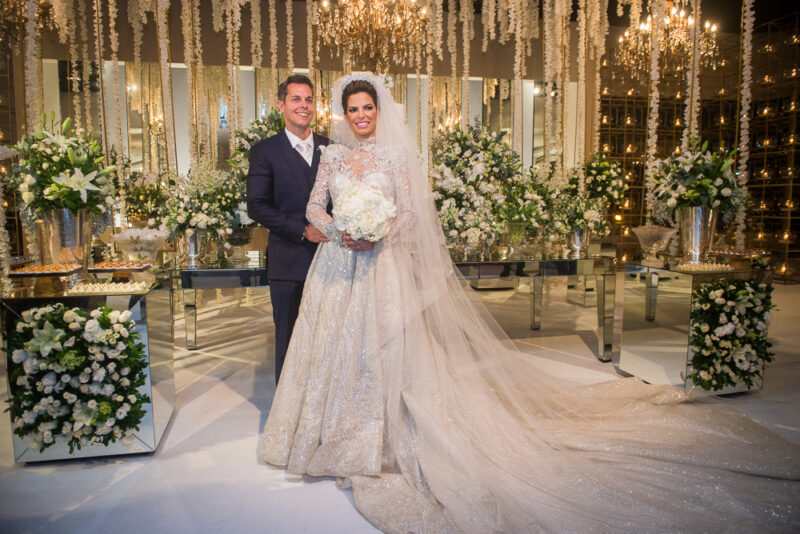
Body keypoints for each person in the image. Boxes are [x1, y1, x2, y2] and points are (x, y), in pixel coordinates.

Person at [260, 73, 800, 532]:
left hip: (383, 264)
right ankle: (339, 430)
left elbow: (410, 213)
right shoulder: (332, 156)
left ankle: (387, 432)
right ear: (344, 114)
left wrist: (377, 231)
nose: (360, 116)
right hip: (339, 264)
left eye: (368, 108)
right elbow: (313, 207)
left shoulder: (397, 156)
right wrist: (341, 230)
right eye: (353, 109)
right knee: (338, 349)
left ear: (379, 112)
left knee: (387, 346)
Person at [246, 74, 331, 384]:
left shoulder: (331, 148)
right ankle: (287, 403)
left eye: (308, 99)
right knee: (289, 339)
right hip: (287, 262)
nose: (303, 105)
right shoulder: (265, 151)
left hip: (330, 261)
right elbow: (256, 205)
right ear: (281, 105)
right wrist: (301, 230)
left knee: (328, 338)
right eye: (296, 99)